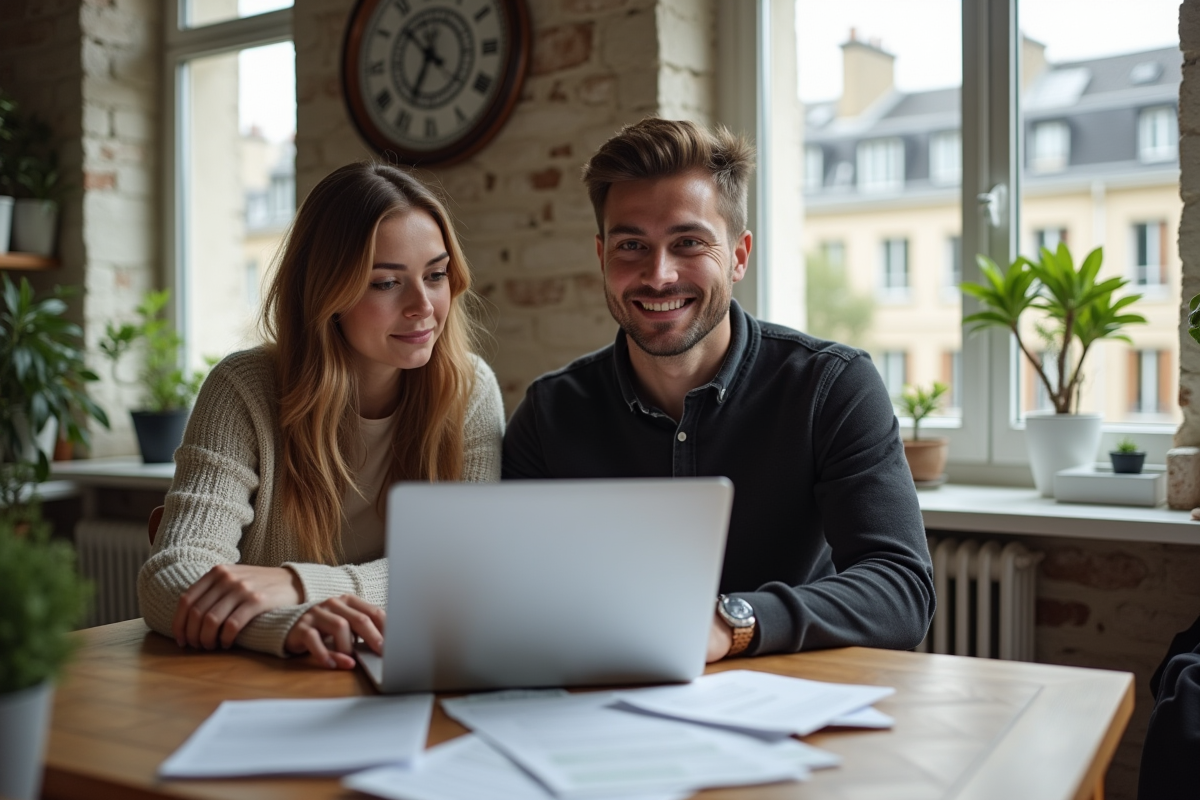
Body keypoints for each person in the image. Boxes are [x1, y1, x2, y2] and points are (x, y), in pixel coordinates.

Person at [502, 118, 935, 662]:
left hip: (796, 702)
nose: (658, 275)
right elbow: (510, 591)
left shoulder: (832, 386)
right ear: (601, 256)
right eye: (631, 244)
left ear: (738, 255)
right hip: (608, 703)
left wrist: (730, 622)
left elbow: (901, 592)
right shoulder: (549, 413)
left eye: (688, 243)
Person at [138, 162, 504, 669]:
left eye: (436, 275)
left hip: (411, 672)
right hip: (264, 684)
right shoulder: (244, 390)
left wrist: (297, 584)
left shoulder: (468, 389)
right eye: (385, 283)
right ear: (329, 293)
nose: (424, 305)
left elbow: (470, 570)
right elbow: (170, 575)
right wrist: (284, 624)